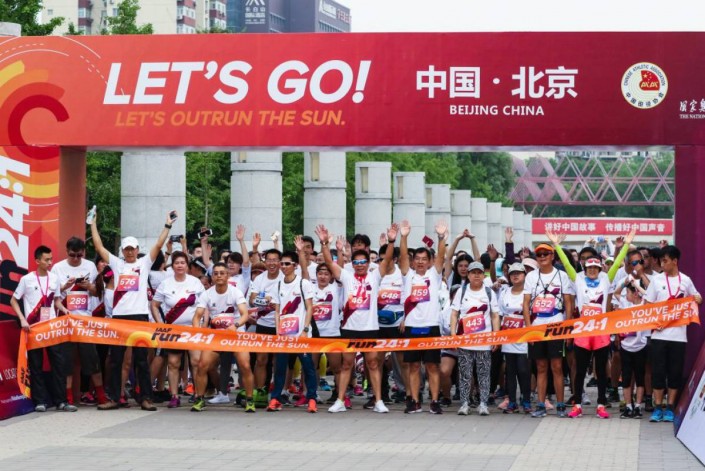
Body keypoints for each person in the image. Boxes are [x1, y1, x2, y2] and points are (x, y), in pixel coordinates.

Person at [91, 209, 174, 411]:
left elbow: (159, 244)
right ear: (122, 251)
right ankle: (114, 398)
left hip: (139, 317)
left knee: (141, 360)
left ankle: (145, 398)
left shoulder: (144, 263)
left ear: (137, 250)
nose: (129, 252)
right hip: (119, 318)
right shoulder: (117, 264)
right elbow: (99, 246)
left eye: (132, 249)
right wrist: (92, 224)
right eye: (126, 249)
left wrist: (167, 225)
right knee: (115, 361)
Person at [317, 224, 395, 414]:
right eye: (356, 262)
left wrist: (392, 241)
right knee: (346, 364)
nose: (360, 265)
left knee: (373, 364)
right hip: (349, 328)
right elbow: (329, 263)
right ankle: (340, 401)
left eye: (363, 262)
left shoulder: (375, 276)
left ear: (368, 263)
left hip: (370, 329)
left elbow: (387, 260)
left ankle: (378, 401)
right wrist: (324, 244)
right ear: (352, 264)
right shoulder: (346, 276)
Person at [11, 246, 77, 412]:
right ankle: (40, 401)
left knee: (59, 364)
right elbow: (13, 300)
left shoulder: (54, 278)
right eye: (46, 260)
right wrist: (22, 319)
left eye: (51, 259)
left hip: (52, 328)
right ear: (37, 261)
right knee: (36, 365)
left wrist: (65, 310)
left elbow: (56, 301)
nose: (50, 262)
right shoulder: (26, 279)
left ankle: (61, 401)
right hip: (34, 328)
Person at [645, 245, 702, 423]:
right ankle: (658, 407)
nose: (662, 264)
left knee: (675, 372)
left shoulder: (685, 280)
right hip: (659, 335)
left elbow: (697, 297)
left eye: (665, 261)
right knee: (658, 372)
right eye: (661, 261)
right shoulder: (656, 280)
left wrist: (698, 298)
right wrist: (656, 319)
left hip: (678, 336)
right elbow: (647, 305)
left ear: (675, 261)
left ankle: (670, 407)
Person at [399, 219, 448, 415]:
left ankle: (434, 401)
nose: (420, 262)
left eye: (424, 259)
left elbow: (441, 256)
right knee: (412, 366)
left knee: (432, 366)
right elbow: (403, 256)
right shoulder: (407, 276)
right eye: (417, 259)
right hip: (412, 327)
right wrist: (403, 237)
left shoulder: (434, 276)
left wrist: (441, 238)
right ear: (413, 262)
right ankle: (414, 401)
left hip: (431, 326)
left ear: (429, 261)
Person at [51, 237, 108, 406]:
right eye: (72, 255)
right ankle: (68, 397)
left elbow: (98, 292)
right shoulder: (58, 268)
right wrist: (65, 286)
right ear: (66, 251)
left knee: (92, 359)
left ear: (84, 252)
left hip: (85, 321)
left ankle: (101, 395)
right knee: (66, 362)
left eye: (79, 255)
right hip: (66, 320)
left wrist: (89, 286)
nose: (76, 258)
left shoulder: (90, 266)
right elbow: (52, 294)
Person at [191, 262, 253, 412]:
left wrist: (235, 325)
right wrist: (197, 331)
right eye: (216, 273)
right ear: (212, 276)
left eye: (222, 273)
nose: (219, 276)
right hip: (216, 337)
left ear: (227, 275)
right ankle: (200, 399)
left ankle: (250, 400)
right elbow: (197, 316)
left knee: (245, 365)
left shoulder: (235, 292)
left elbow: (245, 314)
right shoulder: (207, 294)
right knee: (202, 365)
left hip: (236, 334)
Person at [522, 243, 575, 418]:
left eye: (546, 253)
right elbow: (525, 303)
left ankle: (560, 405)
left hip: (556, 323)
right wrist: (529, 329)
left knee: (557, 366)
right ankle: (540, 405)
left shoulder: (561, 276)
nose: (543, 257)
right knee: (541, 366)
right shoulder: (531, 276)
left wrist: (567, 329)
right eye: (539, 254)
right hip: (537, 324)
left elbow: (568, 303)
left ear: (552, 256)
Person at [151, 251, 205, 408]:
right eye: (177, 263)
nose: (180, 265)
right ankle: (174, 395)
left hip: (193, 329)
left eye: (183, 263)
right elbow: (154, 305)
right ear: (172, 266)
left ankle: (198, 394)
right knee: (173, 363)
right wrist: (160, 324)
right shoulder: (165, 284)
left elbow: (204, 304)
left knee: (196, 362)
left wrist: (203, 324)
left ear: (187, 265)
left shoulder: (195, 282)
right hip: (174, 330)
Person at [266, 249, 318, 413]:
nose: (283, 266)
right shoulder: (278, 285)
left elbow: (309, 307)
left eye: (287, 264)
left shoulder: (303, 283)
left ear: (295, 266)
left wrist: (305, 329)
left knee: (308, 367)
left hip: (301, 334)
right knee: (280, 367)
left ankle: (311, 398)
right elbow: (277, 310)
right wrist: (278, 332)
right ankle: (275, 398)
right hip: (284, 335)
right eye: (281, 263)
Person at [450, 261, 500, 416]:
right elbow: (454, 314)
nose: (476, 276)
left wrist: (496, 337)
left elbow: (495, 315)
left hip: (484, 341)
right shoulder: (462, 291)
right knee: (465, 374)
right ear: (468, 275)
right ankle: (464, 403)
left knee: (484, 374)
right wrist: (453, 335)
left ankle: (483, 403)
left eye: (479, 273)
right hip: (465, 341)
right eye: (473, 273)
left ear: (483, 275)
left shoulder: (489, 292)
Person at [249, 249, 284, 391]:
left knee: (278, 361)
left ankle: (279, 390)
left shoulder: (285, 277)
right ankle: (260, 390)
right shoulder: (260, 278)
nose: (272, 263)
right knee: (261, 359)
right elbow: (252, 299)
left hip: (281, 325)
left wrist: (276, 304)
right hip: (262, 323)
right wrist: (264, 301)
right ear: (265, 261)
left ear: (280, 262)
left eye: (275, 260)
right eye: (269, 260)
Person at [499, 263, 532, 414]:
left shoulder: (528, 292)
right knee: (510, 370)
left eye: (519, 273)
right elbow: (500, 314)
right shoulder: (505, 292)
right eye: (512, 273)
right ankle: (512, 401)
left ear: (524, 275)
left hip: (523, 336)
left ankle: (526, 400)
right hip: (508, 336)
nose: (515, 276)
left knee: (524, 370)